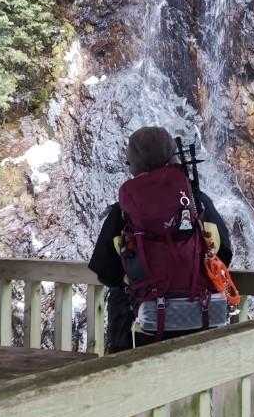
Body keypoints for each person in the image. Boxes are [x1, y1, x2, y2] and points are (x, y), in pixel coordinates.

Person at [88, 126, 233, 352]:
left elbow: (105, 270)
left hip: (140, 330)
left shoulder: (124, 211)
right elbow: (224, 254)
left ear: (134, 165)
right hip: (200, 325)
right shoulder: (196, 202)